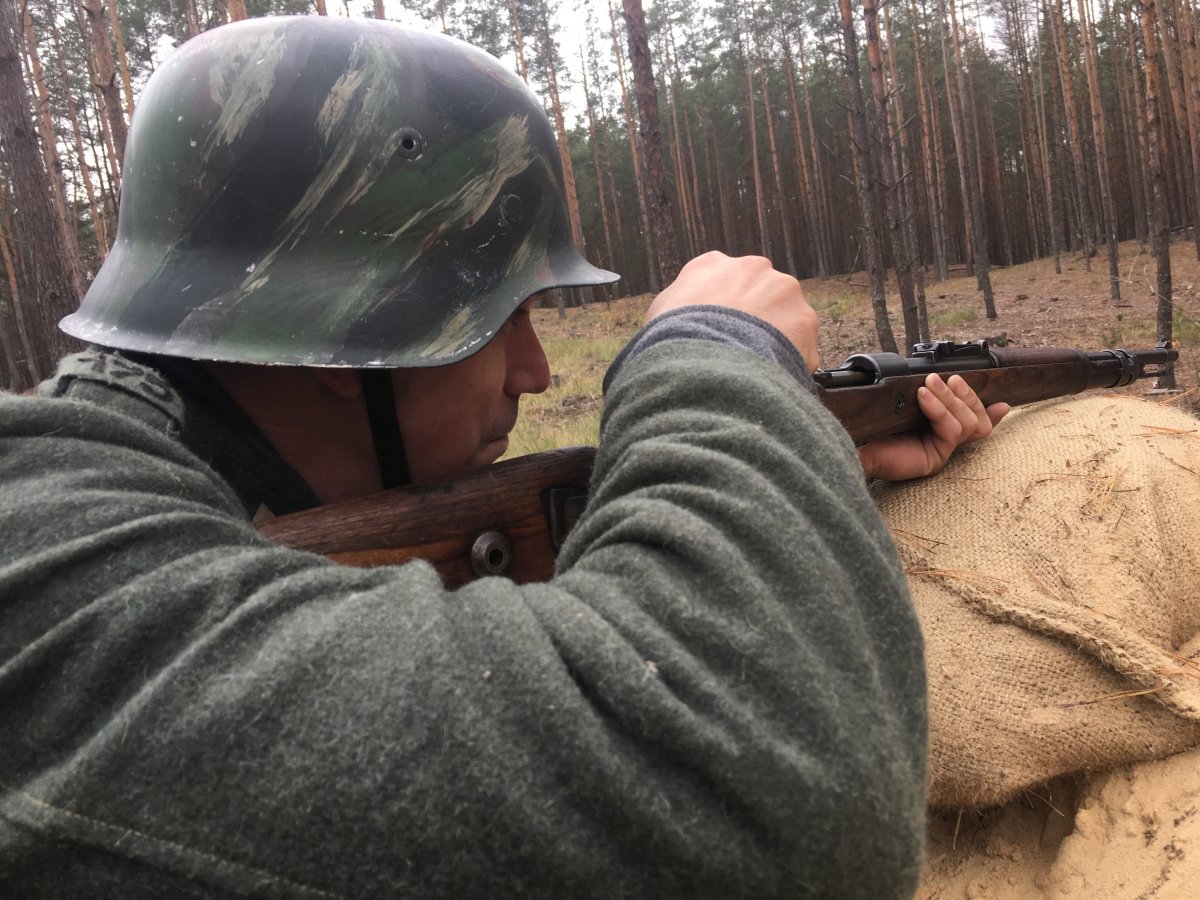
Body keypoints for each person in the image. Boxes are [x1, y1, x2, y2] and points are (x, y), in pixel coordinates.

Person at [0, 16, 1004, 899]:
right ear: (347, 341)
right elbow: (786, 808)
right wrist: (714, 357)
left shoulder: (129, 500)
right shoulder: (50, 574)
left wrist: (782, 474)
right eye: (501, 318)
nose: (536, 369)